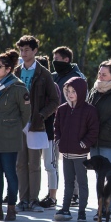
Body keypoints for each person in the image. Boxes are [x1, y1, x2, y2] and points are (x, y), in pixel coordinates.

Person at [0, 50, 31, 222]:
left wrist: (13, 127)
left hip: (9, 137)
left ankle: (11, 208)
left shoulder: (18, 87)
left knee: (10, 173)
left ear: (8, 69)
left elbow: (26, 114)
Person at [12, 36, 59, 214]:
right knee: (20, 163)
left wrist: (41, 116)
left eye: (27, 50)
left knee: (34, 163)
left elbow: (54, 101)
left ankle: (33, 200)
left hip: (36, 125)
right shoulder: (15, 72)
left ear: (35, 51)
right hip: (18, 125)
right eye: (21, 50)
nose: (23, 54)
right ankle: (22, 199)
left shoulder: (44, 73)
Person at [54, 77, 99, 222]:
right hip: (66, 154)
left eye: (74, 91)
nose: (70, 94)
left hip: (80, 154)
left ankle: (81, 212)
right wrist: (58, 140)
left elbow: (93, 130)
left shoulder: (89, 110)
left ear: (81, 91)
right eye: (68, 91)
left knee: (82, 182)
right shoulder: (62, 110)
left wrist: (84, 143)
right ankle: (65, 208)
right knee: (68, 182)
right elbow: (57, 128)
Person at [35, 55, 60, 209]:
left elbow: (54, 106)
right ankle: (31, 195)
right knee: (32, 165)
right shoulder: (28, 84)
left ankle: (52, 196)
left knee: (50, 165)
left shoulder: (53, 86)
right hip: (31, 131)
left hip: (48, 132)